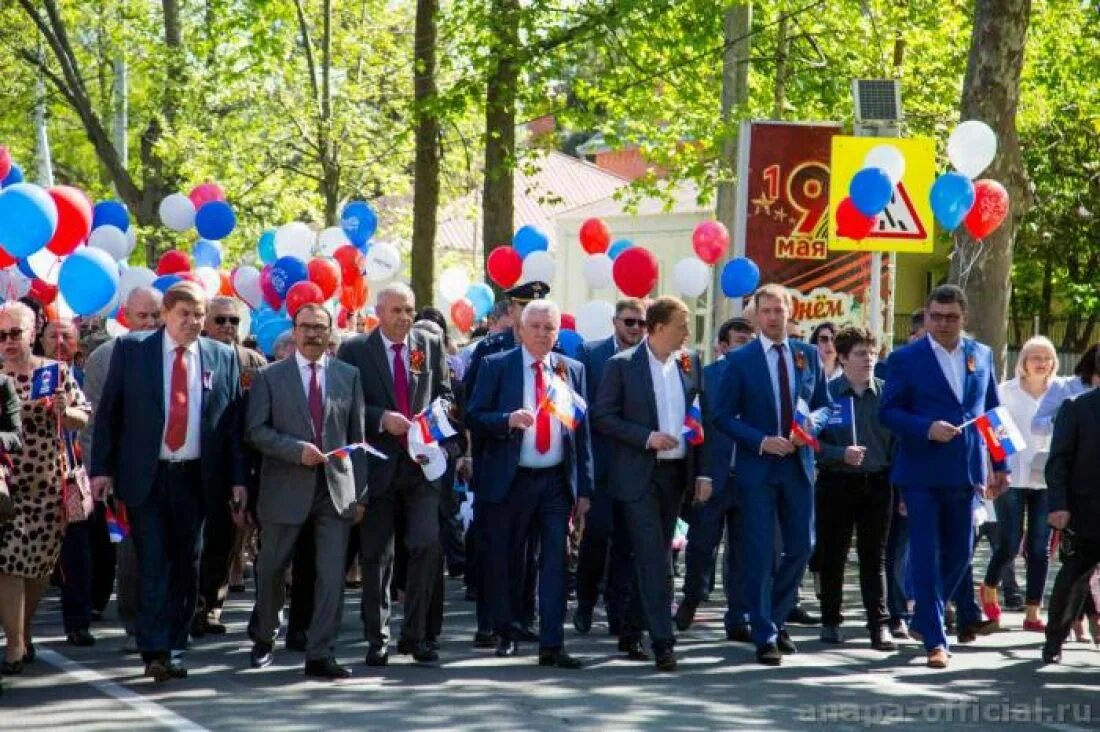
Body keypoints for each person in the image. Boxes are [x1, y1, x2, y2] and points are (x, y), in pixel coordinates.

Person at [91, 281, 247, 683]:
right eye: (186, 314)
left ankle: (177, 646)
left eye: (199, 315)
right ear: (166, 314)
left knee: (186, 564)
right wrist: (102, 470)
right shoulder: (133, 351)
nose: (194, 322)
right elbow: (110, 414)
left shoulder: (221, 356)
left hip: (196, 477)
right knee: (154, 561)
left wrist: (237, 480)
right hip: (147, 476)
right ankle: (155, 648)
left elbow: (231, 426)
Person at [879, 284, 1008, 669]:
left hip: (966, 471)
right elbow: (888, 412)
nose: (944, 324)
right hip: (920, 471)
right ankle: (936, 640)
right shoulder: (905, 359)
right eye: (936, 316)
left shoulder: (980, 354)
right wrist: (924, 427)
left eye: (951, 317)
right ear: (927, 315)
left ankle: (923, 616)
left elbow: (991, 413)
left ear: (963, 318)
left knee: (961, 551)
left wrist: (1000, 466)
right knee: (923, 554)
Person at [467, 299, 593, 669]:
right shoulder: (496, 366)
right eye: (534, 326)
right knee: (507, 559)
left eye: (548, 328)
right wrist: (506, 420)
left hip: (555, 480)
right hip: (512, 478)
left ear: (558, 334)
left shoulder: (572, 370)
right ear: (520, 330)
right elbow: (473, 415)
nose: (541, 333)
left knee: (556, 560)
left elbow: (581, 431)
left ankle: (552, 643)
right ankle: (506, 632)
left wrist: (584, 488)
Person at [247, 303, 367, 679]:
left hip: (335, 491)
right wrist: (294, 450)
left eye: (320, 327)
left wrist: (360, 493)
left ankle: (320, 653)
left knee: (331, 576)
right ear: (294, 331)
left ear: (330, 333)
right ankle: (265, 636)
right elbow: (255, 431)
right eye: (306, 327)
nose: (313, 334)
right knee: (271, 569)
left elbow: (357, 438)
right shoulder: (269, 377)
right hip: (285, 487)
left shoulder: (349, 375)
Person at [714, 284, 831, 666]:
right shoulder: (741, 360)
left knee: (802, 547)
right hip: (759, 468)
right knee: (761, 553)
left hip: (799, 466)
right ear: (755, 316)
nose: (773, 317)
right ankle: (764, 633)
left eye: (779, 310)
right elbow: (722, 416)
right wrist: (761, 441)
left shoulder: (807, 354)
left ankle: (776, 619)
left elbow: (825, 407)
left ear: (790, 311)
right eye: (765, 311)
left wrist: (810, 426)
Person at [337, 282, 453, 666]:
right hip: (379, 466)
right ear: (379, 311)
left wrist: (434, 422)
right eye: (397, 311)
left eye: (410, 310)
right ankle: (378, 637)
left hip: (421, 466)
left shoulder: (427, 344)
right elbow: (345, 407)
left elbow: (446, 394)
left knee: (426, 545)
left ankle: (416, 634)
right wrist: (381, 419)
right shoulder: (356, 350)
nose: (405, 318)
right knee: (377, 555)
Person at [592, 296, 707, 671]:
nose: (687, 333)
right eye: (681, 325)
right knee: (655, 558)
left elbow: (701, 418)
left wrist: (702, 473)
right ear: (658, 328)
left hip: (676, 477)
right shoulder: (621, 366)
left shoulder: (690, 363)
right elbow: (603, 417)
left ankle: (632, 628)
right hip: (639, 475)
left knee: (658, 552)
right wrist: (647, 437)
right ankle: (663, 640)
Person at [463, 282, 557, 648]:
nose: (539, 329)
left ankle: (523, 616)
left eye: (546, 321)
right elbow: (472, 407)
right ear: (515, 315)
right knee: (499, 550)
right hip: (504, 469)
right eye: (527, 312)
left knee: (532, 553)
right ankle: (492, 622)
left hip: (545, 470)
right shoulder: (492, 352)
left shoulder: (559, 359)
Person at [0, 302, 88, 675]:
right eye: (1, 336)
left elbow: (82, 418)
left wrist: (62, 410)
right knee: (8, 562)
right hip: (6, 484)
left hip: (48, 483)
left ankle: (24, 628)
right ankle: (15, 645)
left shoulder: (55, 372)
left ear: (32, 333)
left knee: (38, 567)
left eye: (15, 334)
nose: (8, 343)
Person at [81, 286, 163, 654]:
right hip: (128, 475)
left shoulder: (180, 353)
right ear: (125, 316)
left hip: (176, 469)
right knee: (132, 551)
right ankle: (134, 623)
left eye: (155, 315)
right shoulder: (105, 357)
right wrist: (100, 471)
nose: (148, 322)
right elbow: (97, 420)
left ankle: (169, 624)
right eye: (141, 316)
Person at [814, 327, 896, 651]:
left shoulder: (888, 394)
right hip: (836, 482)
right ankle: (831, 620)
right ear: (844, 358)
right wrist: (839, 454)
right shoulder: (827, 394)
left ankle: (879, 625)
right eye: (861, 354)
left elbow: (899, 441)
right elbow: (809, 441)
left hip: (877, 483)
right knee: (832, 554)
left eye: (872, 353)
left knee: (873, 557)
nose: (869, 360)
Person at [675, 316, 755, 643]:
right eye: (740, 341)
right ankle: (692, 598)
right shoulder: (707, 378)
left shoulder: (759, 377)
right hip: (713, 477)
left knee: (744, 552)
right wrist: (701, 474)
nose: (746, 347)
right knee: (701, 546)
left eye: (751, 341)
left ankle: (738, 617)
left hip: (750, 477)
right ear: (723, 346)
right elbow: (697, 430)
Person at [194, 297, 268, 637]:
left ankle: (211, 605)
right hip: (196, 460)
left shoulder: (253, 361)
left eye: (234, 321)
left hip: (240, 463)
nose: (227, 327)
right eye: (220, 320)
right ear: (206, 322)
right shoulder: (193, 354)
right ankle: (188, 603)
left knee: (224, 540)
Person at [573, 298, 646, 641]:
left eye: (642, 323)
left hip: (635, 465)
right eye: (629, 322)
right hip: (600, 462)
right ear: (615, 321)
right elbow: (582, 412)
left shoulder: (651, 359)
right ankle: (586, 602)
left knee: (627, 543)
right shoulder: (591, 354)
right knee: (597, 537)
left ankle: (618, 612)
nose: (635, 329)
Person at [978, 336, 1057, 631]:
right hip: (1010, 475)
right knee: (1009, 543)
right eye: (1034, 356)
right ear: (1022, 361)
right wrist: (993, 470)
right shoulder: (1005, 392)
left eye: (1046, 357)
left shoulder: (1060, 392)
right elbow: (991, 431)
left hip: (1047, 479)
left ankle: (1033, 611)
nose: (1040, 362)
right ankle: (988, 586)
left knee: (1040, 547)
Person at [45, 317, 101, 647]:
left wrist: (67, 411)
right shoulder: (21, 373)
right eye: (53, 335)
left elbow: (87, 417)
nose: (60, 341)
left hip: (72, 477)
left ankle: (78, 621)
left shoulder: (78, 377)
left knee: (77, 549)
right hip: (30, 479)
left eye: (67, 336)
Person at [1041, 381, 1100, 664]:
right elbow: (1058, 461)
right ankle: (1054, 641)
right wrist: (1058, 504)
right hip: (1086, 509)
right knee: (1074, 576)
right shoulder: (1077, 407)